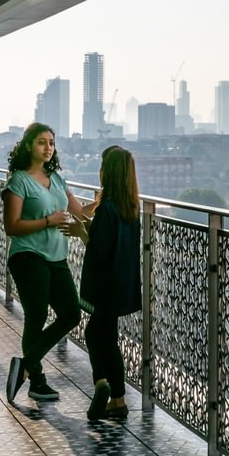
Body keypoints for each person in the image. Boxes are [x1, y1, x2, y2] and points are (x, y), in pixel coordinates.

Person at [2, 123, 87, 403]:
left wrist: (103, 202)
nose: (48, 147)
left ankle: (25, 365)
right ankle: (37, 380)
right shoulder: (18, 180)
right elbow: (12, 226)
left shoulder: (58, 179)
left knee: (71, 314)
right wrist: (48, 221)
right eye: (41, 142)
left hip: (57, 256)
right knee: (36, 315)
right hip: (27, 255)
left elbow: (79, 213)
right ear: (29, 145)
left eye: (51, 142)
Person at [77, 146, 142, 420]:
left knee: (95, 335)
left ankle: (108, 389)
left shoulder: (107, 208)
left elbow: (99, 248)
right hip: (122, 283)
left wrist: (80, 231)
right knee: (108, 336)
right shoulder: (130, 206)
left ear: (108, 172)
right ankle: (114, 397)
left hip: (104, 286)